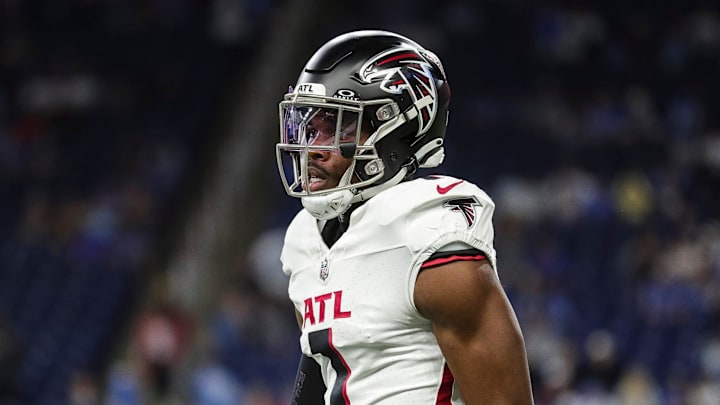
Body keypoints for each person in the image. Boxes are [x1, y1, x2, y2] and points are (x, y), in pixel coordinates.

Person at [276, 29, 534, 404]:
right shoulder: (305, 239)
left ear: (394, 130)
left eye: (337, 127)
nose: (313, 148)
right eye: (311, 127)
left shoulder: (425, 229)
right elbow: (325, 366)